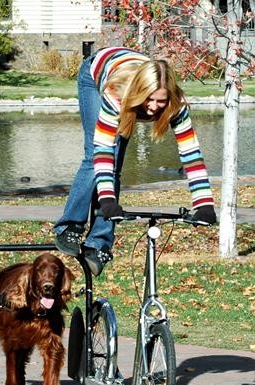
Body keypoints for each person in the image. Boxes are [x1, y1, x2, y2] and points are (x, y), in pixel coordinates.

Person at [54, 46, 217, 275]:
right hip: (96, 74)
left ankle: (98, 243)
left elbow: (191, 153)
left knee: (116, 165)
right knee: (95, 159)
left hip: (127, 72)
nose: (153, 108)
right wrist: (108, 202)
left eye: (160, 102)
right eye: (148, 100)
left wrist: (204, 205)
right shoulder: (116, 93)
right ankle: (70, 225)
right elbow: (103, 152)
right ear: (140, 92)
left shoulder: (176, 104)